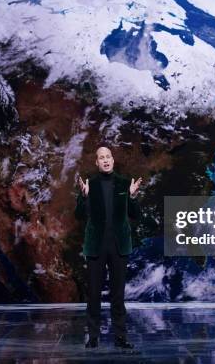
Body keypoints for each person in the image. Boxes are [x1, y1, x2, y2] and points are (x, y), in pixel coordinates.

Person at [75, 146, 142, 349]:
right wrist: (83, 197)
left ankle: (120, 337)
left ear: (113, 160)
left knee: (118, 295)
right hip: (96, 246)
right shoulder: (90, 185)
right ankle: (93, 336)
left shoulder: (123, 182)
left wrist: (132, 197)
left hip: (119, 246)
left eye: (108, 157)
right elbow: (78, 215)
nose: (105, 160)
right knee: (94, 294)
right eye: (101, 158)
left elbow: (135, 215)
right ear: (96, 162)